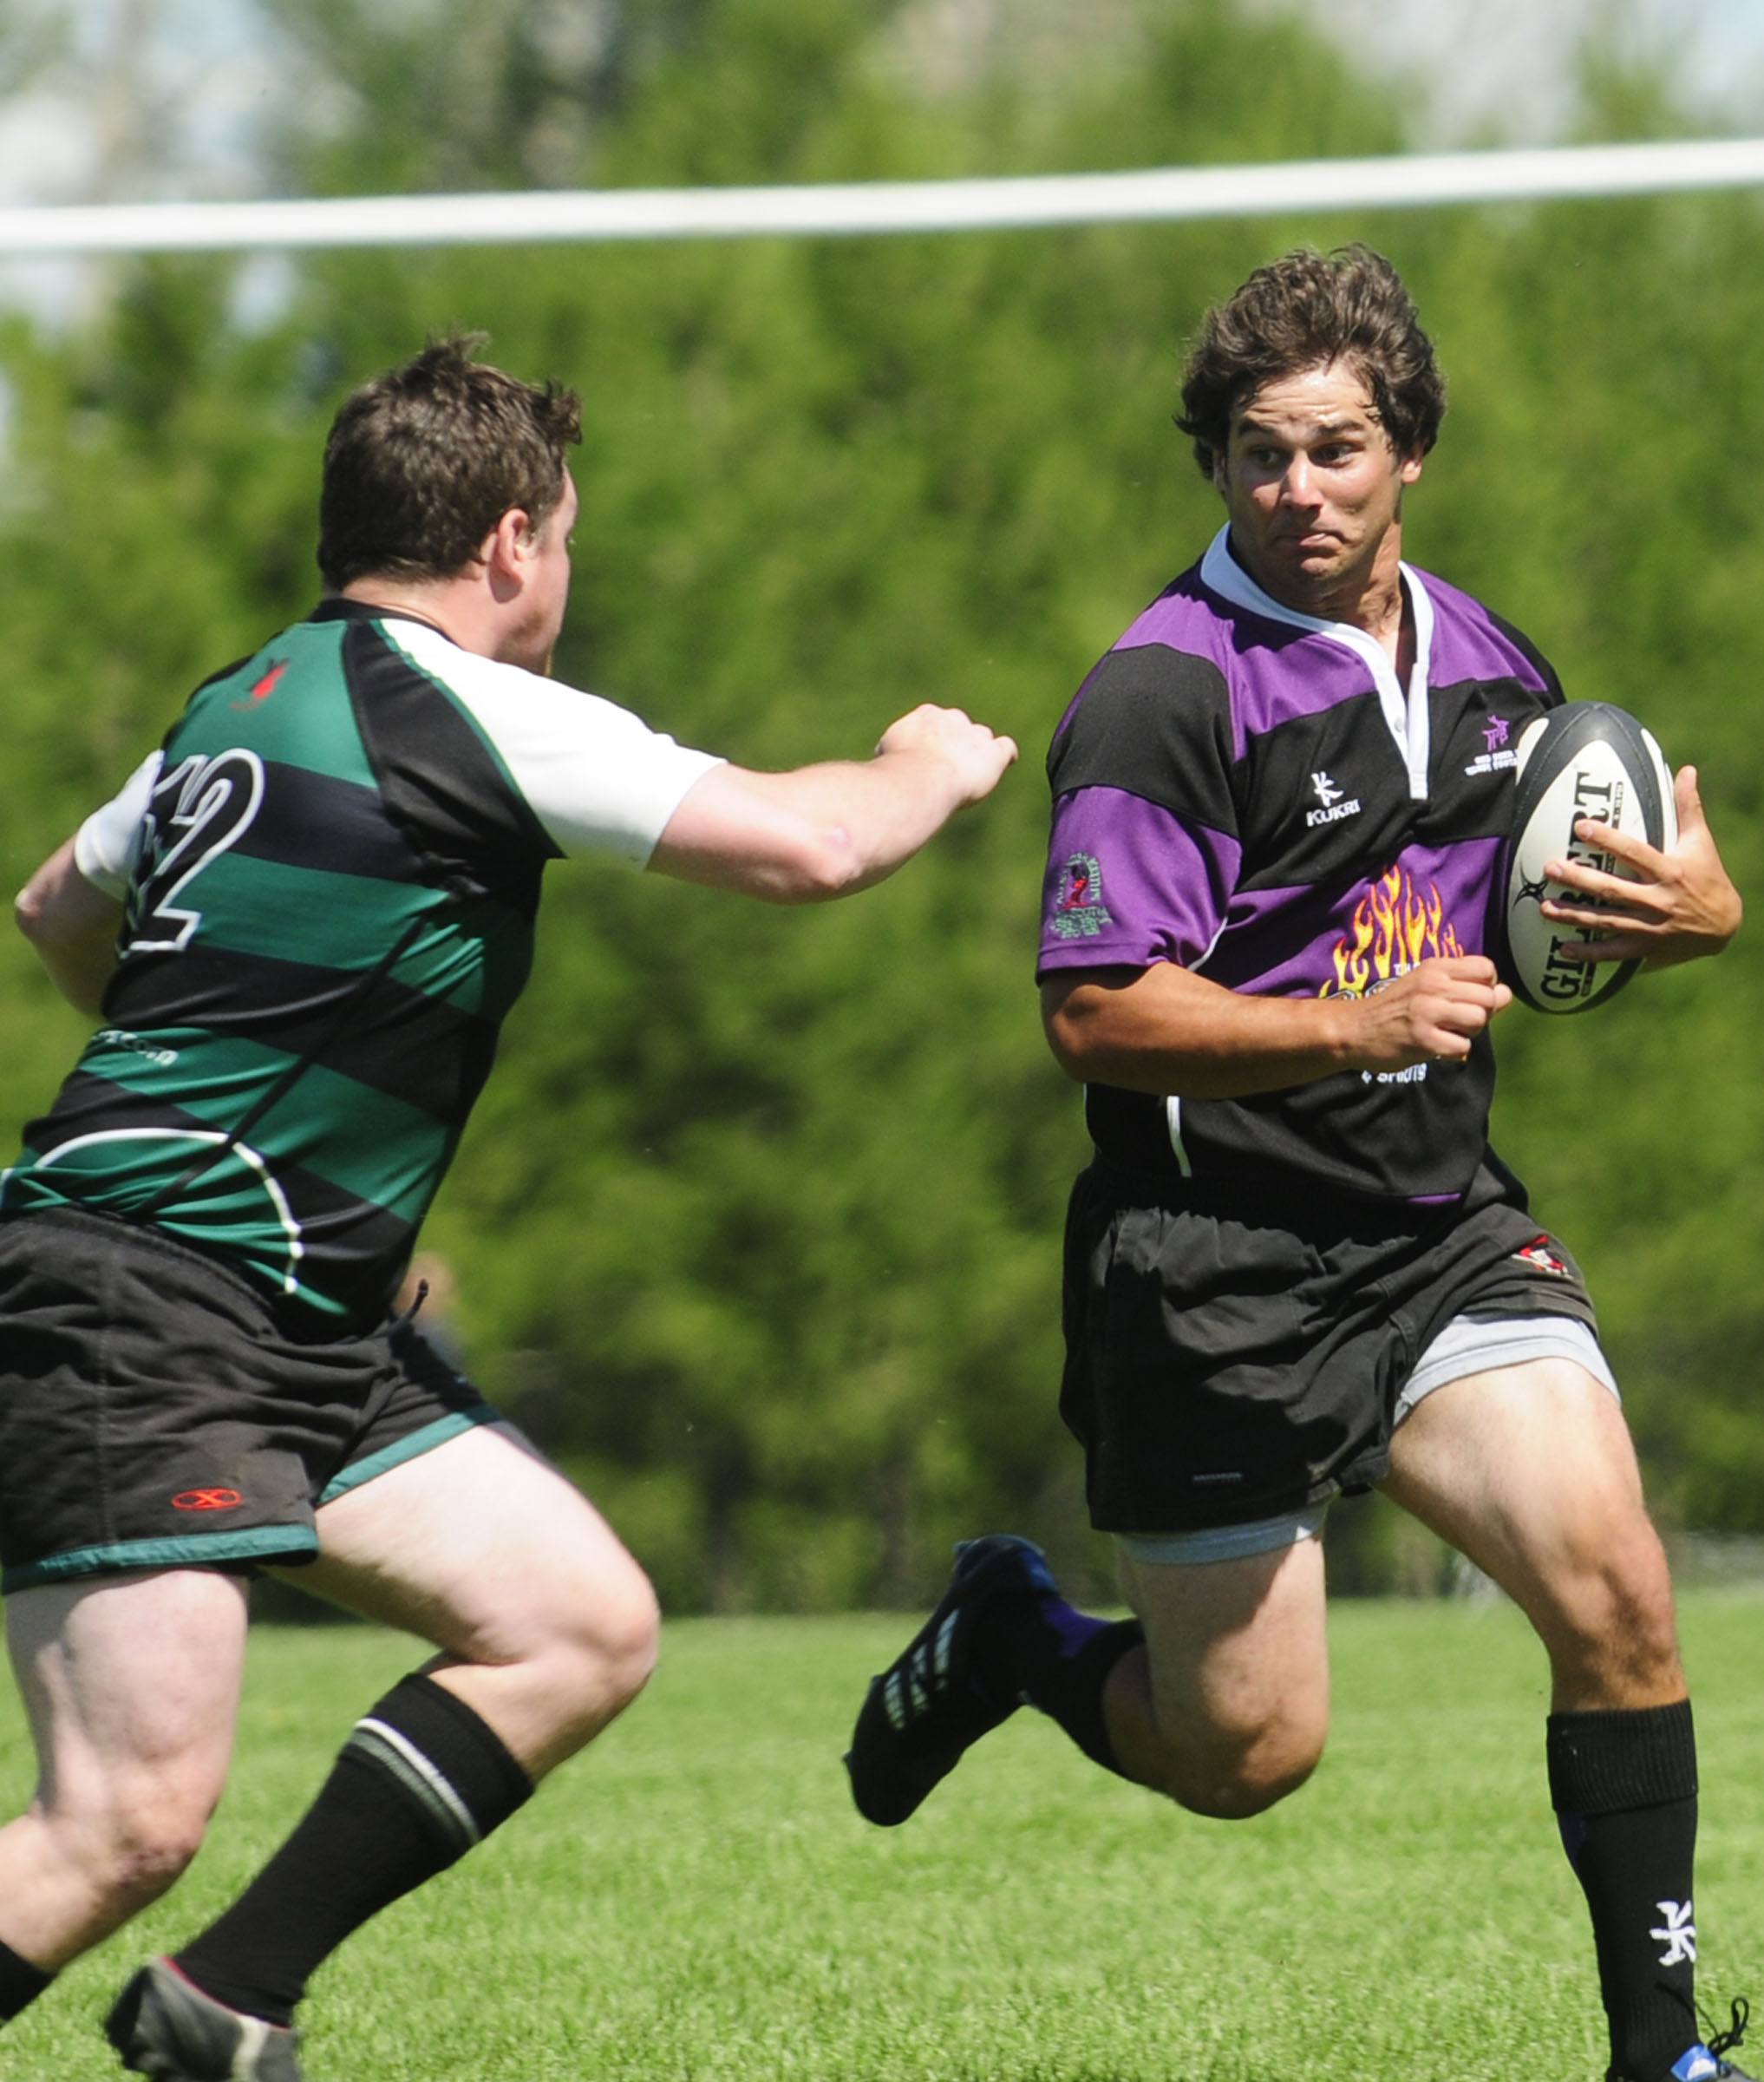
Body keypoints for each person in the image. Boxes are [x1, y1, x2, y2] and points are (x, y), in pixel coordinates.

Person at [0, 332, 1016, 2081]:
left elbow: (55, 914)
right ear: (509, 546)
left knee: (577, 1624)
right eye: (569, 541)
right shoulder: (464, 702)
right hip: (142, 1298)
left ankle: (223, 2002)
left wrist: (208, 1022)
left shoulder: (234, 703)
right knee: (122, 1820)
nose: (566, 576)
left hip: (293, 1318)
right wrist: (930, 763)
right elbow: (808, 845)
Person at [845, 246, 1749, 2082]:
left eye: (1338, 450)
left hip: (1434, 1235)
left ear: (1409, 451)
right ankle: (1017, 1631)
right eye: (1260, 455)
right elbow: (1096, 1015)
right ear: (1219, 468)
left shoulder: (1497, 666)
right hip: (1209, 1263)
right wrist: (1352, 1021)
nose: (1300, 492)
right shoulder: (1162, 698)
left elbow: (1586, 918)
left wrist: (1699, 913)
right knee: (1248, 1754)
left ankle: (1662, 2051)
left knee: (1619, 1590)